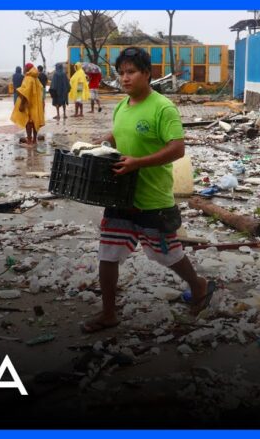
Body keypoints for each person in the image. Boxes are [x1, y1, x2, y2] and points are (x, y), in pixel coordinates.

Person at [81, 47, 215, 333]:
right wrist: (102, 143)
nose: (125, 79)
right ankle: (108, 313)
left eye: (131, 72)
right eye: (121, 73)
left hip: (152, 198)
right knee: (108, 253)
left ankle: (199, 285)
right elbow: (118, 135)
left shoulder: (162, 107)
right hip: (120, 196)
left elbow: (177, 149)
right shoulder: (121, 106)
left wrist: (138, 163)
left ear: (147, 74)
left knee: (166, 254)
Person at [10, 63, 44, 146]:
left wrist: (22, 104)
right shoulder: (36, 79)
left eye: (25, 68)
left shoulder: (28, 78)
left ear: (27, 69)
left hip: (28, 104)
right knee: (35, 121)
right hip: (36, 104)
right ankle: (34, 140)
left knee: (28, 123)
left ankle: (29, 140)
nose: (24, 69)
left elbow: (26, 93)